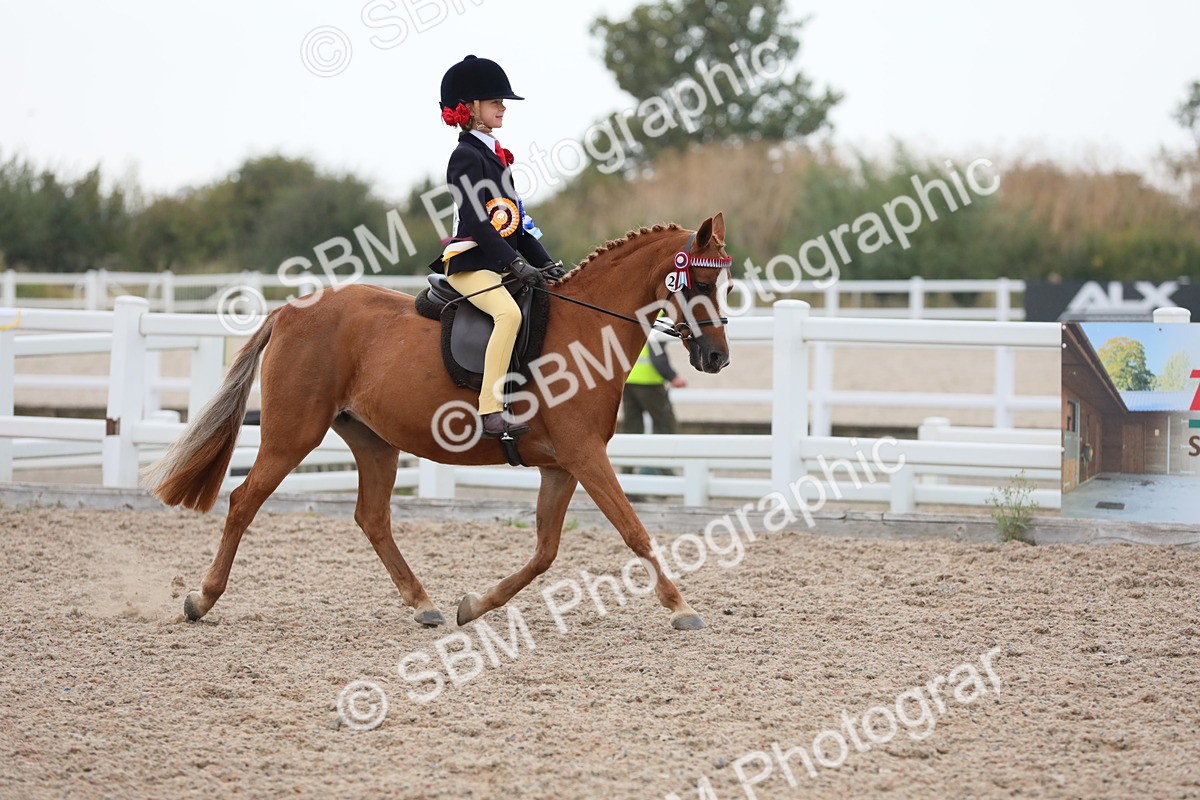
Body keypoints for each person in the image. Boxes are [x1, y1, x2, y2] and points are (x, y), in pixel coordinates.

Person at [433, 55, 566, 438]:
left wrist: (547, 265)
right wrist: (513, 264)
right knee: (509, 314)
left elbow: (515, 224)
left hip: (498, 261)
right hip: (471, 264)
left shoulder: (497, 156)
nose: (503, 107)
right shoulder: (465, 157)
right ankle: (490, 409)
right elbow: (476, 221)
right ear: (472, 108)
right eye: (495, 102)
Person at [622, 342, 687, 435]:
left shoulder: (636, 328)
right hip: (649, 383)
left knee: (632, 424)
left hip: (628, 380)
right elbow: (658, 358)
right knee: (665, 423)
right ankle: (665, 449)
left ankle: (632, 448)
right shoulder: (656, 333)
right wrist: (673, 377)